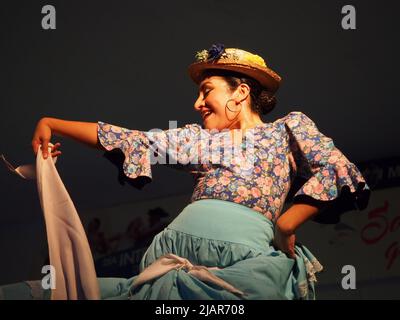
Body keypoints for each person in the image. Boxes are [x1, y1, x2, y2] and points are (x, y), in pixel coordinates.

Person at [0, 44, 369, 300]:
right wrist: (53, 123)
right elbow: (134, 141)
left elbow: (336, 167)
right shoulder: (199, 141)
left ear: (240, 93)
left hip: (242, 264)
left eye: (205, 91)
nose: (196, 103)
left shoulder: (287, 128)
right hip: (173, 260)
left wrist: (287, 224)